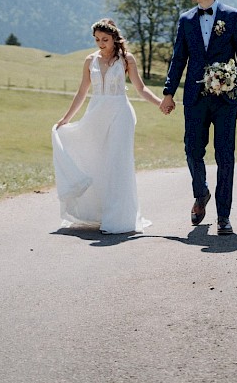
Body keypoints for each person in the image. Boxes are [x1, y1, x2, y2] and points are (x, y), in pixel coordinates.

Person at [159, 0, 237, 235]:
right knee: (192, 149)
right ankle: (201, 194)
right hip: (195, 98)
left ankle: (224, 216)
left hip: (226, 100)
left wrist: (232, 78)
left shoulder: (233, 17)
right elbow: (179, 59)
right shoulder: (186, 20)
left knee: (225, 156)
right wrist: (168, 93)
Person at [52, 19, 162, 234]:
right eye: (97, 40)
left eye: (105, 39)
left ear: (114, 39)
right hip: (96, 114)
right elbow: (82, 92)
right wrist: (65, 119)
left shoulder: (126, 60)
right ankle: (100, 213)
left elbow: (140, 88)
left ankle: (119, 219)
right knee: (98, 162)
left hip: (121, 113)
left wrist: (160, 103)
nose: (101, 43)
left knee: (118, 163)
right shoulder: (89, 60)